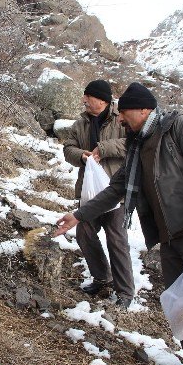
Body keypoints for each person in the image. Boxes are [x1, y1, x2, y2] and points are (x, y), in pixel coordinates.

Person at [54, 82, 183, 365]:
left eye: (124, 113)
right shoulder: (138, 146)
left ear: (143, 110)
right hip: (170, 234)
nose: (120, 119)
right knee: (182, 299)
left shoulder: (180, 128)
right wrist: (79, 216)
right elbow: (114, 190)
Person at [62, 79, 135, 309]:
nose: (84, 100)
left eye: (88, 97)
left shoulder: (121, 118)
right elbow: (68, 148)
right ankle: (102, 277)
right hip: (89, 191)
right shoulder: (81, 122)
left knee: (117, 239)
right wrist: (81, 156)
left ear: (102, 100)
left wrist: (103, 149)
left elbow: (131, 143)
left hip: (116, 191)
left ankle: (125, 292)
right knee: (84, 231)